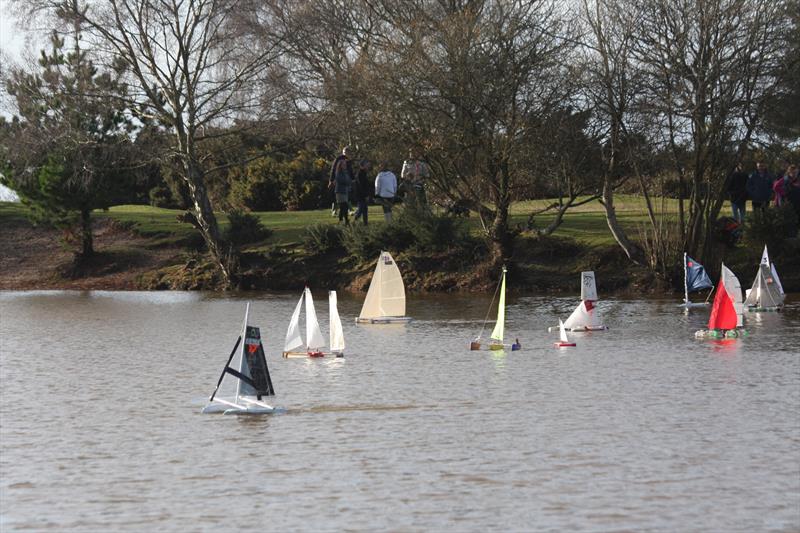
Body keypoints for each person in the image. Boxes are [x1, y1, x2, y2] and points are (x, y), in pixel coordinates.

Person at [329, 146, 354, 216]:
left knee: (347, 195)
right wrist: (331, 180)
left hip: (346, 179)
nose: (346, 154)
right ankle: (334, 211)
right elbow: (333, 169)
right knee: (337, 196)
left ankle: (350, 210)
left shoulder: (349, 160)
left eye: (348, 152)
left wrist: (352, 178)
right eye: (345, 152)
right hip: (338, 180)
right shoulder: (338, 159)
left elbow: (350, 170)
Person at [353, 159, 373, 226]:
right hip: (361, 195)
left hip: (363, 195)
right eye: (366, 164)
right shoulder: (360, 174)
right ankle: (354, 222)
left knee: (365, 210)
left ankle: (365, 224)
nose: (368, 166)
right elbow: (361, 186)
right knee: (361, 209)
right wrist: (366, 195)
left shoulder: (364, 173)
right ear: (363, 165)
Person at [333, 158, 352, 225]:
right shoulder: (338, 173)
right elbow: (341, 180)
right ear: (340, 165)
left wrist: (349, 182)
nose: (345, 166)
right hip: (340, 191)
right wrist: (347, 182)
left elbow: (349, 180)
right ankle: (346, 220)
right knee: (344, 206)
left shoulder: (346, 172)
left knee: (342, 207)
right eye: (343, 164)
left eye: (345, 164)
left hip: (345, 191)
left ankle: (341, 220)